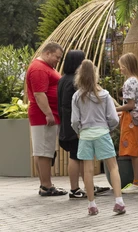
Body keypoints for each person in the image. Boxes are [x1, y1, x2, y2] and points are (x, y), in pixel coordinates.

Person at [71, 60, 125, 216]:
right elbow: (114, 118)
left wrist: (79, 131)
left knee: (87, 171)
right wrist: (108, 128)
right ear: (96, 75)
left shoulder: (76, 96)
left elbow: (74, 120)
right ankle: (119, 201)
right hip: (102, 132)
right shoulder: (105, 94)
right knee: (113, 167)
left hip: (86, 135)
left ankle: (92, 205)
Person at [58, 49, 109, 199]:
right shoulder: (75, 82)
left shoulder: (62, 80)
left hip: (66, 124)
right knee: (75, 156)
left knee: (79, 156)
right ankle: (75, 189)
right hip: (75, 125)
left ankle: (88, 186)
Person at [27, 42, 65, 196]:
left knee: (43, 150)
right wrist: (48, 113)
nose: (58, 60)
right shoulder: (39, 69)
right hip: (44, 115)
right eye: (57, 57)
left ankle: (45, 184)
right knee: (44, 152)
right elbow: (39, 94)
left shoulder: (45, 67)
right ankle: (47, 186)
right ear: (48, 53)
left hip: (46, 114)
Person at [116, 53, 138, 193]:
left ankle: (137, 183)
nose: (120, 69)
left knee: (133, 152)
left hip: (131, 119)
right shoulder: (136, 80)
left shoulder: (128, 82)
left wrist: (115, 109)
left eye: (121, 66)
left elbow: (130, 105)